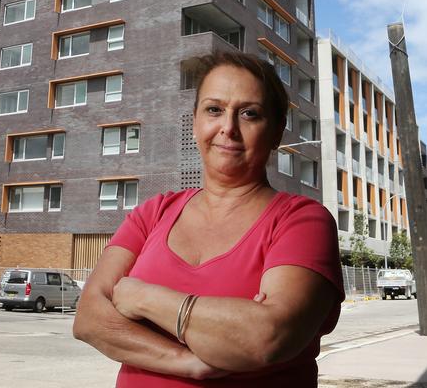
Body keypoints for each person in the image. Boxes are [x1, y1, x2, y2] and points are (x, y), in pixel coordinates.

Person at [73, 52, 345, 387]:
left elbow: (267, 337)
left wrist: (141, 298)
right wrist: (190, 361)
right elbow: (88, 318)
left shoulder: (303, 221)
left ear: (276, 133)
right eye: (214, 110)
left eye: (249, 114)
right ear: (196, 121)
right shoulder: (153, 212)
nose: (228, 128)